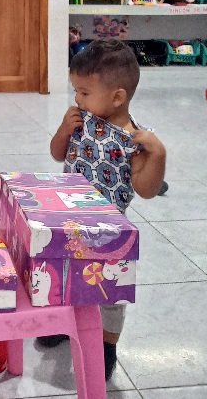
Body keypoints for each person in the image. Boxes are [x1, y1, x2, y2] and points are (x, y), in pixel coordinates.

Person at [41, 38, 166, 381]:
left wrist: (158, 156)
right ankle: (61, 323)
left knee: (110, 291)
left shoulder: (134, 140)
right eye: (75, 90)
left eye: (84, 92)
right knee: (63, 274)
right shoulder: (81, 120)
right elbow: (57, 153)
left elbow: (146, 189)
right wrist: (63, 130)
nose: (77, 99)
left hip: (109, 229)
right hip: (68, 217)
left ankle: (107, 345)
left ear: (117, 97)